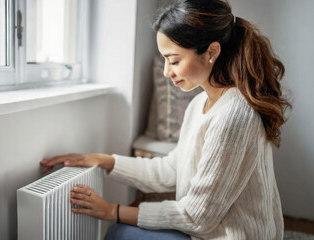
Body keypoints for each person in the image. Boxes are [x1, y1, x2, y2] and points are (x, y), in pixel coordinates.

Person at [40, 0, 292, 239]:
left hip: (231, 235)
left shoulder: (234, 115)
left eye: (174, 60)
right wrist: (102, 160)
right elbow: (171, 170)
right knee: (121, 231)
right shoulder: (199, 105)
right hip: (208, 230)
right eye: (165, 59)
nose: (166, 71)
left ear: (211, 52)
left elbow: (197, 217)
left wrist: (112, 211)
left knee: (118, 232)